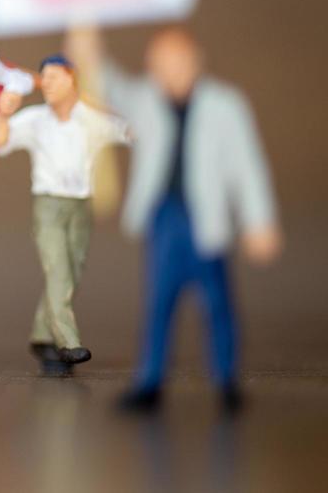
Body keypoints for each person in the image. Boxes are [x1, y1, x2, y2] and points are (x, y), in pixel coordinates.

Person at [68, 26, 281, 412]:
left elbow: (247, 166)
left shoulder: (225, 106)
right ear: (152, 67)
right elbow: (110, 88)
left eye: (178, 63)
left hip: (206, 216)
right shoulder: (146, 100)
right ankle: (150, 382)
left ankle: (227, 381)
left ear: (197, 62)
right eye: (161, 65)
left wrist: (258, 220)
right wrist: (89, 53)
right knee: (159, 302)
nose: (170, 72)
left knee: (217, 303)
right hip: (164, 216)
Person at [0, 53, 129, 369]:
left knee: (71, 272)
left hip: (81, 204)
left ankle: (41, 335)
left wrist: (99, 100)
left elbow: (131, 129)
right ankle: (68, 343)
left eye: (53, 77)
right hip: (48, 205)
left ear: (72, 80)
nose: (45, 83)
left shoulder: (91, 119)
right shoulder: (35, 119)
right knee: (58, 269)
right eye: (43, 77)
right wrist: (3, 114)